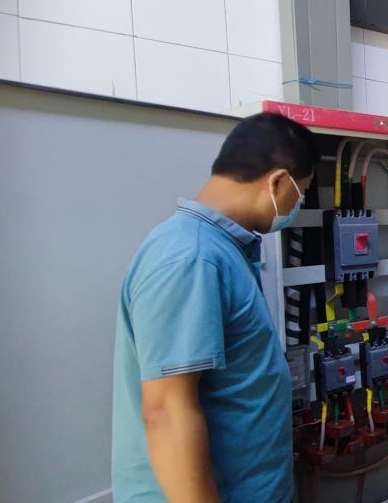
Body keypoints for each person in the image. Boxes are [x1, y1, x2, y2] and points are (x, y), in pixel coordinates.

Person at [112, 113, 318, 502]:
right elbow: (167, 414)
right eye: (301, 191)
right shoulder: (191, 258)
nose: (298, 204)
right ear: (278, 181)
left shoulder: (223, 251)